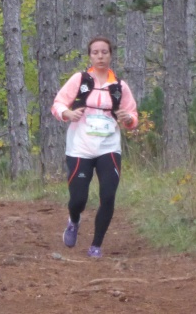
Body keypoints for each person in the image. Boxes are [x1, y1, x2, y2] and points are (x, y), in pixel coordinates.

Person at [51, 36, 139, 258]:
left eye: (104, 52)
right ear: (90, 56)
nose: (100, 56)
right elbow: (58, 104)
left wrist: (128, 119)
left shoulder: (120, 86)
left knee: (108, 196)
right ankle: (74, 220)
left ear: (111, 55)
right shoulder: (79, 79)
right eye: (95, 52)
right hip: (80, 147)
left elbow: (132, 117)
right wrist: (67, 113)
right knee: (78, 199)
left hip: (109, 147)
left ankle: (96, 245)